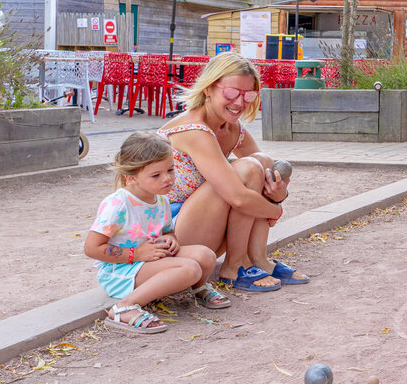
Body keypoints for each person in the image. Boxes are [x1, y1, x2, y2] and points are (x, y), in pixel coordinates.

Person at [158, 52, 308, 292]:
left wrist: (278, 192)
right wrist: (275, 209)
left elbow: (264, 176)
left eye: (248, 95)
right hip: (171, 236)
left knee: (263, 161)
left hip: (201, 224)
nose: (239, 103)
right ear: (209, 88)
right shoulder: (194, 130)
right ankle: (233, 267)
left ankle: (258, 259)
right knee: (248, 169)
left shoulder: (231, 128)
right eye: (231, 93)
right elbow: (239, 197)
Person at [83, 131, 229, 334]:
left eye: (170, 170)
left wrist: (170, 240)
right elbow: (92, 248)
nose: (167, 179)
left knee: (205, 255)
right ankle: (124, 307)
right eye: (156, 175)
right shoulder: (118, 206)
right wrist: (137, 254)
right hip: (120, 272)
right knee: (190, 269)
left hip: (148, 260)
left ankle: (198, 287)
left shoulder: (161, 200)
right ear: (131, 177)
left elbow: (169, 232)